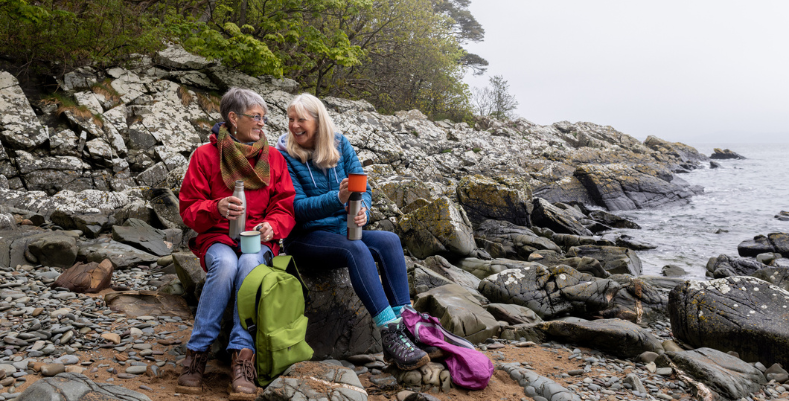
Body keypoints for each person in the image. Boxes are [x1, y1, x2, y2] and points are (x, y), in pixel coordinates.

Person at [275, 93, 429, 371]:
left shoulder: (339, 143)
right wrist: (337, 198)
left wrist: (363, 210)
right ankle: (390, 336)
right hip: (305, 237)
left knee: (390, 241)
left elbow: (363, 187)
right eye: (291, 119)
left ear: (318, 121)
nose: (294, 125)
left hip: (342, 229)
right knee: (355, 249)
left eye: (301, 120)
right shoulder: (283, 154)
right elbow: (295, 208)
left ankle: (408, 324)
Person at [178, 88, 296, 395]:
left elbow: (285, 204)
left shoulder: (273, 158)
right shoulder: (205, 156)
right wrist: (214, 207)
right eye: (256, 117)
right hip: (217, 237)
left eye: (263, 117)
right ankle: (197, 354)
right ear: (233, 118)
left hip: (258, 241)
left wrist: (273, 226)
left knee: (249, 265)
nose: (262, 124)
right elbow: (189, 208)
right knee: (227, 264)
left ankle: (242, 357)